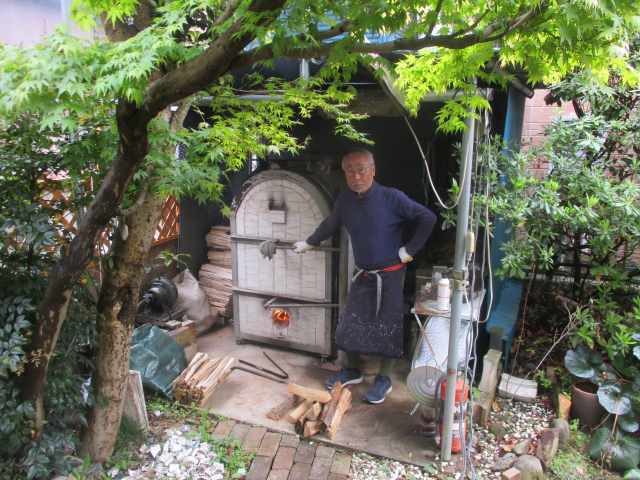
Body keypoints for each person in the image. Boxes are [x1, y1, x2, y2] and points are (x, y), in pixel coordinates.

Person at [293, 149, 436, 404]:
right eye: (350, 171)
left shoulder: (392, 197)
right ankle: (352, 370)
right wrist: (309, 242)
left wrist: (409, 250)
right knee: (350, 324)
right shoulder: (345, 200)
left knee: (387, 327)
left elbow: (428, 217)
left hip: (390, 275)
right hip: (363, 274)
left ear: (373, 170)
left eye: (361, 170)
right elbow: (330, 223)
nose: (356, 176)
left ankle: (384, 379)